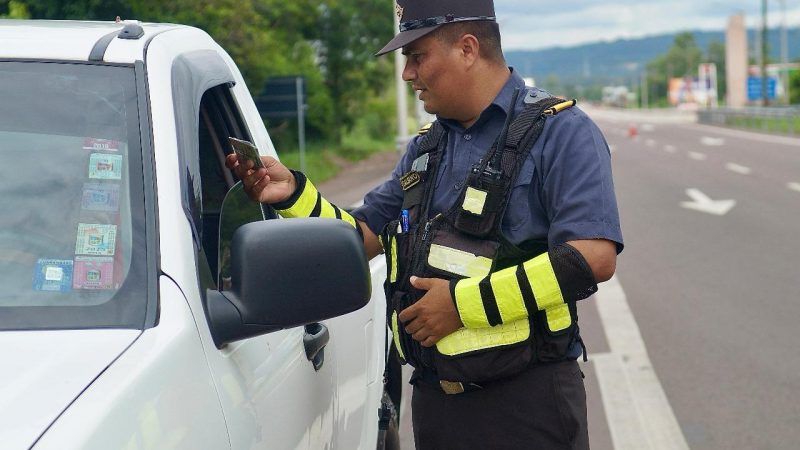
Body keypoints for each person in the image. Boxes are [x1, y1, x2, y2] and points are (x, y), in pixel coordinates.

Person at [227, 0, 623, 448]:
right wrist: (294, 196)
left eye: (418, 57)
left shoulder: (562, 132)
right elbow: (359, 237)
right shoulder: (426, 149)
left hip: (528, 404)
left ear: (468, 49)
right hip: (437, 405)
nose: (407, 75)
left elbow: (591, 258)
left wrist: (461, 306)